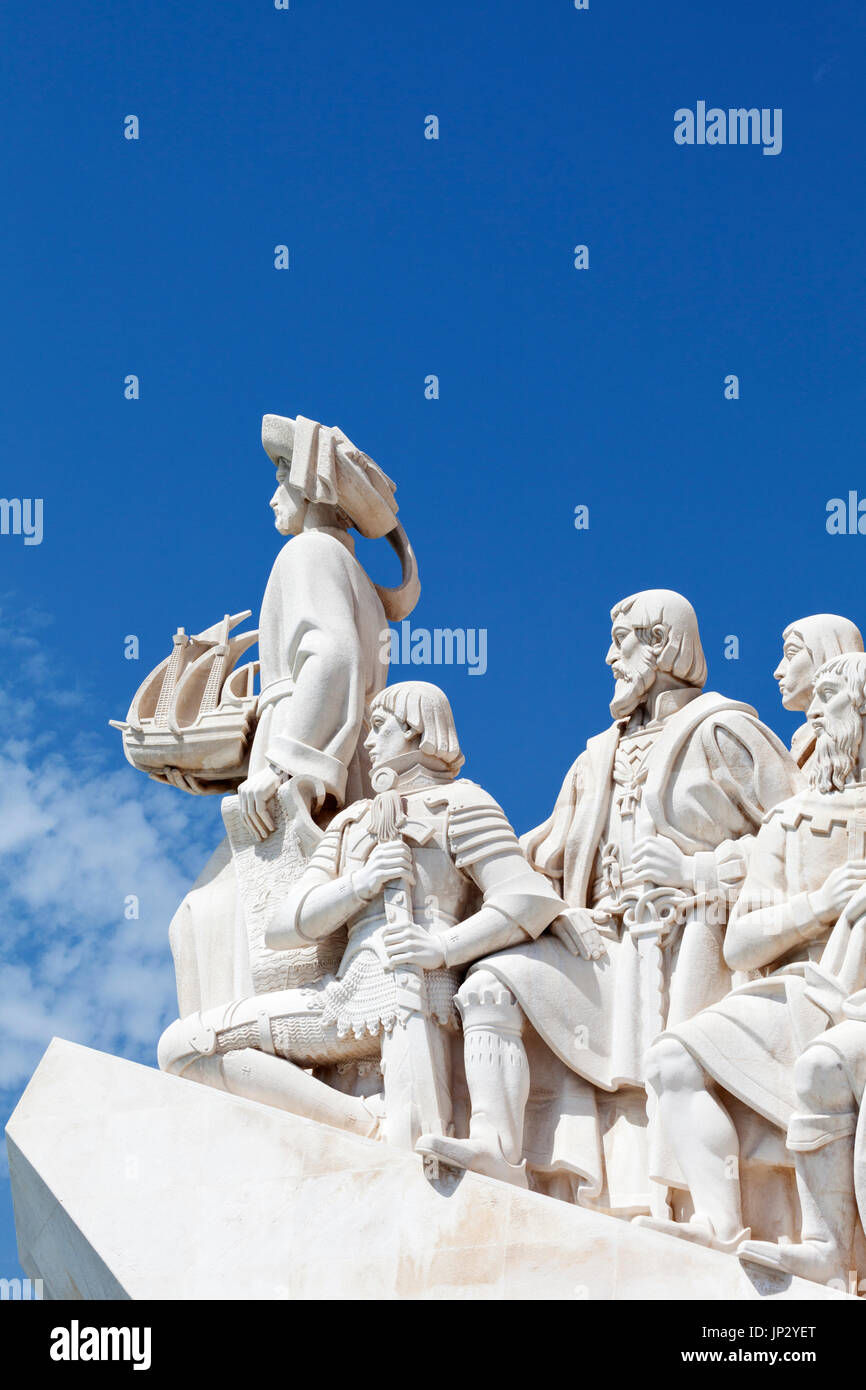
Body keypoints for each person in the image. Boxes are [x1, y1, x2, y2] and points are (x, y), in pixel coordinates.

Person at [418, 590, 799, 1213]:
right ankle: (494, 1146)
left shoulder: (724, 729)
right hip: (602, 940)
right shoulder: (596, 757)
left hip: (692, 943)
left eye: (619, 641)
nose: (608, 656)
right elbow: (538, 854)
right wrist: (431, 829)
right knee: (491, 983)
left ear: (661, 643)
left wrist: (696, 868)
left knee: (672, 1075)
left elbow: (802, 838)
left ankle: (704, 1215)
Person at [158, 682, 565, 1152]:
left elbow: (527, 898)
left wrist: (442, 949)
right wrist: (362, 882)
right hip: (345, 994)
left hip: (421, 987)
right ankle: (363, 1125)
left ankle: (394, 1130)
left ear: (413, 731)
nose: (368, 743)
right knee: (186, 1047)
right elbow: (284, 925)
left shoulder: (460, 804)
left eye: (379, 727)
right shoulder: (352, 823)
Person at [640, 653, 866, 1259]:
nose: (813, 712)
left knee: (826, 1068)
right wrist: (819, 904)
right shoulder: (790, 821)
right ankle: (720, 1225)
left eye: (830, 696)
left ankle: (829, 1248)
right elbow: (741, 941)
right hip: (800, 985)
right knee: (670, 1059)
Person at [773, 614, 862, 773]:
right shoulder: (800, 738)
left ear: (827, 651)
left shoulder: (858, 733)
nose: (778, 672)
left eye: (791, 654)